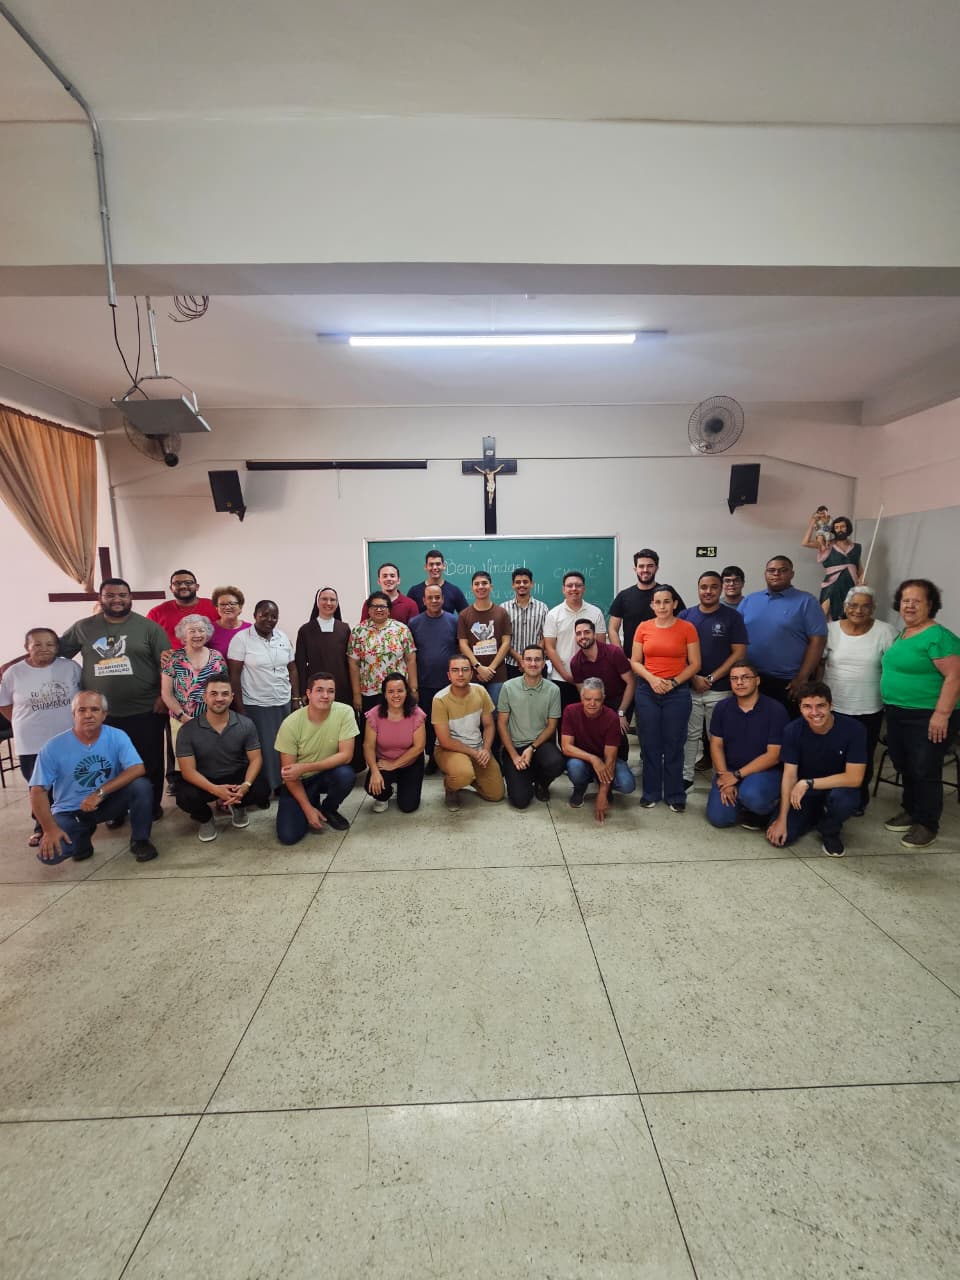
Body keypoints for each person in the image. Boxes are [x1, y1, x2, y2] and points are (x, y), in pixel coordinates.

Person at [58, 578, 169, 818]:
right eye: (110, 595)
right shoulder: (84, 627)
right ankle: (114, 810)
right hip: (101, 714)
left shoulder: (148, 628)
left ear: (130, 598)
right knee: (108, 764)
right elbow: (55, 651)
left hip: (145, 709)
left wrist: (164, 696)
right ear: (101, 598)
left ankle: (149, 807)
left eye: (122, 595)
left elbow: (167, 665)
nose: (117, 599)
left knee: (149, 761)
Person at [29, 690, 158, 864]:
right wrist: (49, 828)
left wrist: (99, 793)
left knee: (141, 786)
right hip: (70, 811)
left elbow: (137, 768)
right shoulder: (53, 747)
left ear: (104, 715)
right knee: (51, 856)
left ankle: (140, 840)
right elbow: (37, 790)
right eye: (82, 710)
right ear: (73, 714)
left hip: (106, 802)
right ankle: (82, 839)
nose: (88, 715)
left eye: (95, 710)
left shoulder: (117, 736)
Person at [880, 578, 960, 849]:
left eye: (917, 601)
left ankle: (927, 823)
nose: (910, 605)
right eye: (905, 600)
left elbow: (955, 677)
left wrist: (941, 714)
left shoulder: (938, 636)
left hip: (928, 715)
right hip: (897, 711)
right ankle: (911, 810)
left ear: (931, 605)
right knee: (904, 764)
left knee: (925, 768)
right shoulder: (904, 633)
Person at [0, 627, 81, 846]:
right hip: (32, 741)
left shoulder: (70, 667)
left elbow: (82, 697)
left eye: (50, 644)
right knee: (38, 786)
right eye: (37, 644)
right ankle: (42, 826)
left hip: (67, 737)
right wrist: (21, 723)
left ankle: (69, 820)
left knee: (67, 781)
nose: (44, 649)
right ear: (27, 647)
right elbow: (5, 705)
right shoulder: (13, 673)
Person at [765, 682, 866, 857]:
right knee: (781, 837)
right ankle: (813, 815)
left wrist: (809, 783)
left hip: (837, 789)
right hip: (805, 794)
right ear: (800, 708)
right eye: (807, 707)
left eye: (820, 706)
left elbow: (855, 777)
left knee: (844, 799)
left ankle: (830, 829)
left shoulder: (854, 730)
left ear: (831, 705)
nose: (814, 712)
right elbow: (789, 775)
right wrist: (782, 819)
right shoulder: (792, 731)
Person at [821, 586, 896, 814]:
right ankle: (826, 796)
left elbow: (893, 668)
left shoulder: (886, 631)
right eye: (853, 605)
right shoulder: (830, 630)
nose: (858, 610)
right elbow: (818, 663)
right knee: (829, 754)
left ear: (873, 608)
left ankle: (857, 799)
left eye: (865, 606)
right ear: (845, 607)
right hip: (833, 705)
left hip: (868, 707)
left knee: (861, 755)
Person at [174, 676, 270, 840]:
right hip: (204, 779)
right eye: (214, 694)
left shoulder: (245, 724)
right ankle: (205, 818)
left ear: (232, 697)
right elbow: (187, 771)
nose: (219, 698)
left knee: (262, 789)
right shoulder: (188, 730)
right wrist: (215, 790)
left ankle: (237, 805)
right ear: (205, 697)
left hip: (235, 777)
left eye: (225, 694)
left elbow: (256, 759)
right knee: (184, 796)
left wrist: (245, 786)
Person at [631, 586, 700, 811]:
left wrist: (673, 682)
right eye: (658, 602)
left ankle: (674, 794)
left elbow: (696, 664)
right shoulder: (643, 628)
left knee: (674, 743)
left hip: (677, 691)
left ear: (675, 604)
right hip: (647, 690)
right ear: (652, 605)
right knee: (650, 743)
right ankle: (651, 792)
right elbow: (635, 662)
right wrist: (652, 680)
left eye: (667, 602)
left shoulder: (687, 628)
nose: (662, 606)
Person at [679, 571, 748, 788]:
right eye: (703, 587)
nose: (708, 591)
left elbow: (739, 653)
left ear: (720, 589)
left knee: (718, 738)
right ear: (698, 589)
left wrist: (710, 678)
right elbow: (677, 652)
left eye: (713, 587)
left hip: (720, 689)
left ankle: (723, 777)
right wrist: (694, 678)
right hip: (691, 688)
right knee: (690, 736)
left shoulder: (732, 617)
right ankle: (686, 777)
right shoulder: (685, 616)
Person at [275, 671, 358, 844]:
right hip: (298, 781)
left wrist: (304, 767)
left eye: (331, 691)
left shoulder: (345, 712)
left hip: (325, 773)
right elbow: (289, 774)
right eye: (319, 690)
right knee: (288, 837)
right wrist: (307, 809)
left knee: (346, 775)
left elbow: (346, 755)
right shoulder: (290, 724)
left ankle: (329, 809)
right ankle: (310, 803)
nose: (325, 696)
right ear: (308, 694)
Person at [738, 556, 827, 713]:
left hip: (788, 681)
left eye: (782, 570)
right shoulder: (750, 600)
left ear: (792, 574)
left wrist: (802, 677)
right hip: (751, 678)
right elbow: (735, 636)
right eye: (771, 570)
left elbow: (818, 641)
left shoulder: (806, 601)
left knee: (785, 730)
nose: (776, 574)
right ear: (765, 574)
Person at [227, 600, 298, 796]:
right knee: (265, 748)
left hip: (283, 700)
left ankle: (286, 783)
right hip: (257, 703)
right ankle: (266, 787)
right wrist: (239, 708)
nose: (269, 619)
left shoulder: (282, 637)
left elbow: (292, 668)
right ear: (255, 615)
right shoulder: (241, 639)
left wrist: (296, 698)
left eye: (273, 616)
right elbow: (234, 676)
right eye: (264, 615)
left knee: (286, 745)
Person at [706, 661, 789, 829]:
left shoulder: (775, 710)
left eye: (745, 678)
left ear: (757, 680)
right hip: (729, 770)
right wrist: (723, 775)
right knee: (719, 818)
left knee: (753, 796)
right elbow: (716, 745)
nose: (739, 682)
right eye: (734, 678)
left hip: (764, 772)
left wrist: (736, 776)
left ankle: (769, 806)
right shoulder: (722, 708)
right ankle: (742, 803)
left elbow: (773, 756)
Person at [431, 655, 504, 809]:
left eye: (465, 670)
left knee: (496, 794)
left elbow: (489, 725)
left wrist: (485, 749)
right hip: (448, 749)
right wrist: (473, 753)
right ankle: (451, 786)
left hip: (477, 747)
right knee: (462, 774)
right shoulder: (440, 699)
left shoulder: (480, 691)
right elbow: (445, 741)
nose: (460, 674)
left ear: (471, 673)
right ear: (448, 675)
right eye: (455, 670)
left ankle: (466, 775)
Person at [497, 644, 564, 808]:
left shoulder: (553, 690)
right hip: (515, 747)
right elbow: (501, 723)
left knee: (557, 763)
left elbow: (551, 726)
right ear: (522, 663)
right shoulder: (508, 687)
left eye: (537, 660)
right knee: (520, 801)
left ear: (543, 663)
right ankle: (525, 773)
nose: (533, 663)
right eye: (528, 659)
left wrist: (532, 748)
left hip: (539, 746)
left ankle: (541, 782)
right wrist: (514, 755)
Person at [560, 678, 636, 823]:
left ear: (603, 699)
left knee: (627, 784)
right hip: (582, 760)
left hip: (606, 759)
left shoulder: (612, 717)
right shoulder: (570, 711)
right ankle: (580, 787)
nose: (592, 704)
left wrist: (602, 793)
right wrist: (593, 759)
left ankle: (605, 785)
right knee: (574, 767)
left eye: (597, 699)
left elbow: (611, 758)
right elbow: (566, 747)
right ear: (582, 697)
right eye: (588, 699)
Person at [569, 619, 635, 760]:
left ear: (594, 634)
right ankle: (596, 765)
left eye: (586, 632)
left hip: (620, 700)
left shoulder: (614, 652)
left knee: (618, 731)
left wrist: (621, 713)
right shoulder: (575, 663)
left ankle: (620, 764)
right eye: (578, 633)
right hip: (596, 701)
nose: (583, 636)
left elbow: (631, 683)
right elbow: (583, 695)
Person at [408, 584, 459, 766]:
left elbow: (460, 649)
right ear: (423, 600)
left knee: (450, 723)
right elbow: (410, 655)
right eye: (430, 598)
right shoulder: (414, 623)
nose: (434, 601)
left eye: (437, 597)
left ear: (443, 599)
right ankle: (432, 757)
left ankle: (449, 754)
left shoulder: (454, 621)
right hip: (425, 682)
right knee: (428, 722)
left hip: (450, 683)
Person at [543, 571, 607, 712]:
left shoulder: (595, 613)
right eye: (569, 585)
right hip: (562, 678)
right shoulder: (553, 615)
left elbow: (601, 646)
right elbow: (550, 648)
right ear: (563, 589)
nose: (574, 589)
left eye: (578, 585)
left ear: (583, 588)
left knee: (591, 723)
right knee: (565, 722)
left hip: (591, 679)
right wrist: (566, 675)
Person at [364, 672, 427, 813]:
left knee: (408, 806)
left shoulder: (417, 713)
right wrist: (374, 771)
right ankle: (385, 795)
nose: (396, 695)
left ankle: (403, 785)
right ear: (385, 694)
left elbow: (419, 747)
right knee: (373, 787)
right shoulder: (374, 714)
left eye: (400, 691)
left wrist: (393, 765)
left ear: (407, 692)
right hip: (383, 761)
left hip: (410, 762)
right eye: (391, 691)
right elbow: (368, 746)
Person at [348, 592, 418, 717]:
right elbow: (353, 663)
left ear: (389, 610)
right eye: (374, 606)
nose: (379, 609)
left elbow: (411, 660)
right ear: (368, 610)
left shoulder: (401, 629)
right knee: (372, 730)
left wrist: (413, 689)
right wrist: (356, 694)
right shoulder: (358, 631)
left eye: (383, 607)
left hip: (398, 691)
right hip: (369, 692)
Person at [160, 614, 227, 744]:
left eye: (201, 630)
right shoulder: (174, 659)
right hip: (181, 721)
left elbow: (225, 690)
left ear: (207, 633)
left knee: (212, 760)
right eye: (192, 631)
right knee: (185, 761)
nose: (197, 635)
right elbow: (166, 693)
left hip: (213, 721)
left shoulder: (217, 657)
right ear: (184, 636)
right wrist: (182, 716)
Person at [608, 548, 685, 658]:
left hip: (662, 660)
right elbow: (612, 629)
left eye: (650, 566)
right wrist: (621, 657)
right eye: (641, 566)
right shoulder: (624, 596)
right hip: (632, 662)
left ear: (656, 568)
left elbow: (682, 623)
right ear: (635, 569)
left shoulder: (667, 594)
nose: (645, 570)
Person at [457, 570, 512, 707]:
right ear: (472, 588)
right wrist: (479, 667)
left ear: (491, 587)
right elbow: (463, 645)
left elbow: (506, 643)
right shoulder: (464, 615)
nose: (481, 587)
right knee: (474, 714)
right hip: (472, 675)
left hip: (497, 674)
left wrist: (490, 669)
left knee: (495, 715)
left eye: (484, 583)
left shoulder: (502, 613)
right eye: (477, 584)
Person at [295, 587, 352, 707]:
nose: (328, 603)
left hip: (342, 688)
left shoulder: (344, 629)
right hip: (316, 689)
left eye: (333, 600)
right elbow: (300, 664)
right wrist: (303, 691)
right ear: (317, 602)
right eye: (324, 599)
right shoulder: (305, 630)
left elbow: (350, 662)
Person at [802, 512, 862, 620]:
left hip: (851, 584)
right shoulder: (827, 544)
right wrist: (812, 523)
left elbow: (859, 567)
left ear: (847, 528)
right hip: (832, 584)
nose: (839, 529)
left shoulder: (856, 547)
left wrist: (862, 580)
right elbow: (805, 543)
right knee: (824, 612)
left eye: (842, 526)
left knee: (848, 613)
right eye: (836, 527)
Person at [501, 567, 549, 681]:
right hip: (511, 665)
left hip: (536, 665)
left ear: (532, 584)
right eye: (518, 582)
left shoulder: (543, 608)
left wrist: (531, 658)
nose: (521, 585)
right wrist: (520, 659)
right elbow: (502, 639)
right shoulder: (503, 609)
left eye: (525, 582)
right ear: (513, 585)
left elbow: (545, 637)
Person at [147, 569, 218, 645]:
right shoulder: (156, 613)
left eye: (188, 583)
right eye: (177, 583)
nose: (183, 586)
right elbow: (146, 639)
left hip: (209, 655)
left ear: (197, 587)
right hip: (171, 656)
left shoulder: (215, 607)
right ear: (171, 588)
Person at [406, 549, 469, 614]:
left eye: (438, 564)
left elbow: (466, 616)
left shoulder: (454, 591)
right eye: (431, 564)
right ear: (425, 567)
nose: (435, 567)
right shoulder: (414, 592)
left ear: (444, 566)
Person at [209, 585, 250, 659]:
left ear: (240, 607)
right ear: (216, 608)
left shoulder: (250, 629)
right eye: (222, 604)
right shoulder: (208, 629)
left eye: (232, 603)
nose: (227, 607)